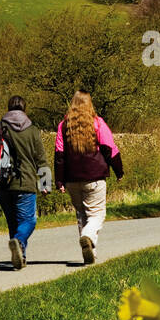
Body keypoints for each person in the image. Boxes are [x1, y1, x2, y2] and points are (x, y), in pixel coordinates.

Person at [54, 90, 123, 265]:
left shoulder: (63, 126)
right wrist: (119, 171)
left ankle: (90, 253)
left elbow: (59, 155)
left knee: (82, 215)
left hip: (71, 179)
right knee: (97, 215)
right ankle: (87, 237)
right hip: (94, 177)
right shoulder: (97, 123)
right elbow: (110, 149)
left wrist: (59, 180)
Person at [0, 95, 47, 270]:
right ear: (25, 108)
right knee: (29, 221)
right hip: (25, 182)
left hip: (2, 184)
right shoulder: (32, 130)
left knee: (13, 222)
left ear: (8, 108)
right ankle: (19, 242)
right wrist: (45, 184)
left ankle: (20, 257)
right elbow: (41, 159)